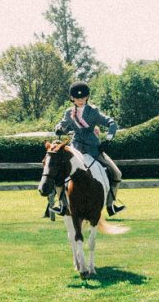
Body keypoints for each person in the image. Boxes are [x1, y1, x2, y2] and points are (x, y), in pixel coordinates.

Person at [52, 82, 124, 216]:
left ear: (87, 97)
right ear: (72, 98)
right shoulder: (69, 113)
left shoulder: (93, 111)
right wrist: (58, 128)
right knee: (58, 173)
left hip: (93, 147)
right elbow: (61, 125)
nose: (80, 100)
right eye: (77, 98)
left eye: (83, 97)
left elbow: (111, 123)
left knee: (116, 173)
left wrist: (108, 139)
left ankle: (110, 205)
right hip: (76, 148)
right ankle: (62, 205)